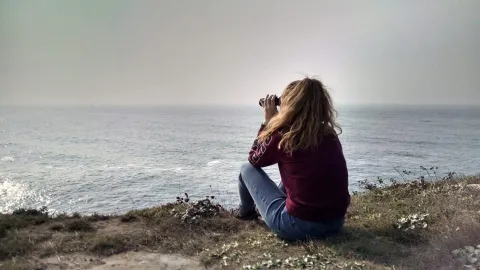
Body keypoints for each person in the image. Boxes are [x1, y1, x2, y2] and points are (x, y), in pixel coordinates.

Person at [232, 77, 350, 242]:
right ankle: (263, 210)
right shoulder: (329, 134)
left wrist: (269, 123)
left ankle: (246, 212)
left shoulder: (285, 136)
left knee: (246, 169)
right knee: (297, 172)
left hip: (296, 227)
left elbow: (254, 159)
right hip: (335, 223)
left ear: (290, 106)